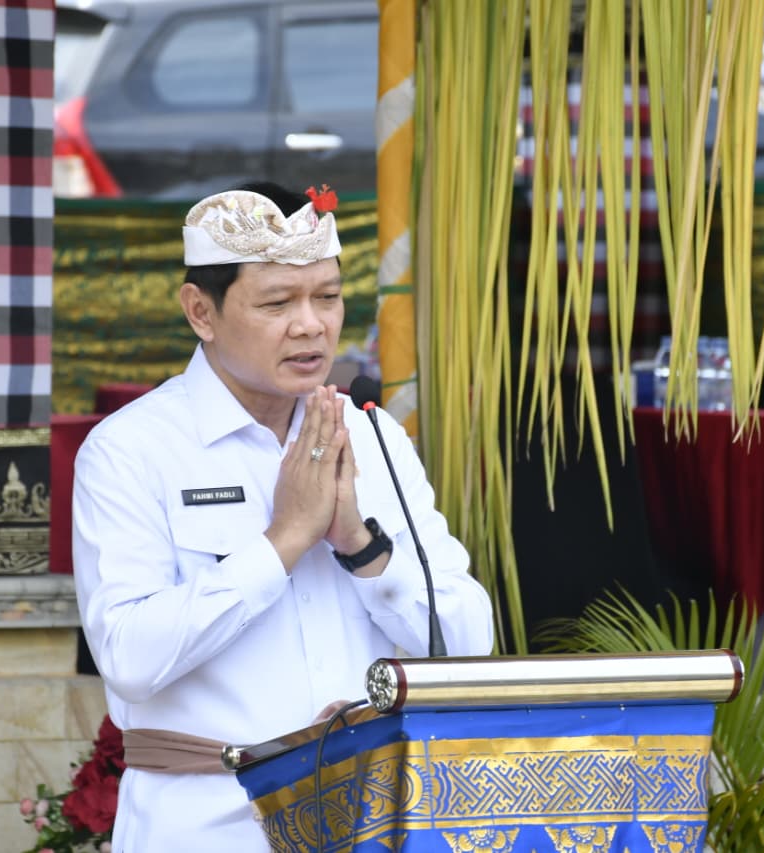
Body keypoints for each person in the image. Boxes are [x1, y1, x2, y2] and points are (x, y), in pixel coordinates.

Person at [72, 181, 495, 851]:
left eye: (327, 297)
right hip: (210, 825)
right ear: (200, 311)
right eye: (277, 302)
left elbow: (470, 644)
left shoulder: (374, 435)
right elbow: (128, 657)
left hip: (378, 821)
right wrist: (283, 542)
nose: (311, 325)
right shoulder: (130, 449)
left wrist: (361, 547)